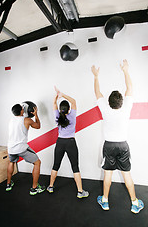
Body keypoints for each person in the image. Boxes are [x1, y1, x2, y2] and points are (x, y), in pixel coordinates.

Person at [91, 59, 144, 214]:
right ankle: (134, 203)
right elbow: (130, 87)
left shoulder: (105, 109)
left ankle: (105, 201)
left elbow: (97, 93)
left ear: (109, 102)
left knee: (108, 174)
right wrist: (126, 71)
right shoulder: (126, 107)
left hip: (109, 146)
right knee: (126, 174)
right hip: (123, 146)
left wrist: (96, 76)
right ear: (121, 102)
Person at [47, 87, 89, 198]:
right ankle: (80, 192)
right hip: (71, 142)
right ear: (69, 108)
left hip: (60, 142)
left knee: (55, 165)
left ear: (60, 109)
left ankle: (50, 186)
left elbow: (54, 103)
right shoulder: (72, 116)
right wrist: (62, 94)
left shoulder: (57, 116)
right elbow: (74, 101)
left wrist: (57, 96)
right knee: (75, 167)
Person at [6, 104, 45, 195]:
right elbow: (38, 126)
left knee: (11, 162)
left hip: (11, 148)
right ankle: (34, 188)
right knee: (37, 163)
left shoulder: (11, 120)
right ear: (21, 111)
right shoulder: (27, 120)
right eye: (22, 108)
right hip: (22, 148)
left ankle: (8, 184)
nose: (24, 109)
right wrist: (36, 115)